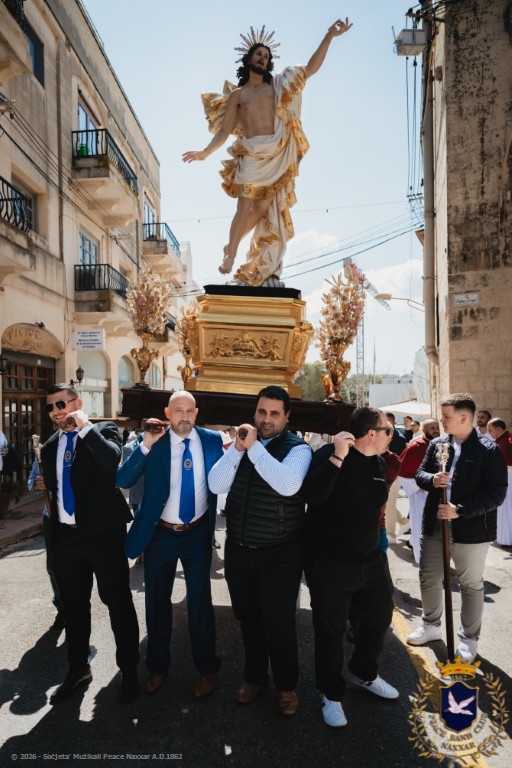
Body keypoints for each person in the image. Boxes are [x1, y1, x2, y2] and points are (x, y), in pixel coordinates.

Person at [182, 19, 352, 287]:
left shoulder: (277, 86)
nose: (262, 59)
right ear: (249, 58)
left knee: (262, 209)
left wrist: (328, 37)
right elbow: (224, 131)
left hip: (276, 154)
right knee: (244, 208)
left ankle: (237, 246)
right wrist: (205, 152)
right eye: (258, 54)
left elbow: (309, 69)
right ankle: (230, 254)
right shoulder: (239, 95)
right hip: (251, 154)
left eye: (266, 56)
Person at [208, 385, 312, 716]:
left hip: (280, 552)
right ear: (254, 412)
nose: (266, 419)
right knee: (248, 619)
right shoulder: (241, 444)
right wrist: (237, 450)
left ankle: (286, 686)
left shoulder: (299, 449)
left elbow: (287, 484)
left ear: (287, 416)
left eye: (274, 413)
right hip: (240, 549)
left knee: (279, 623)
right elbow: (216, 484)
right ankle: (254, 678)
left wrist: (252, 448)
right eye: (262, 412)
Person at [116, 391, 223, 699]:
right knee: (157, 602)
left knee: (200, 603)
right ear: (167, 412)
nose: (184, 416)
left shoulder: (212, 441)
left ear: (197, 413)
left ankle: (207, 668)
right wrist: (146, 444)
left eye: (189, 410)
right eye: (178, 410)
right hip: (160, 535)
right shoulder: (154, 440)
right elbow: (123, 479)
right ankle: (158, 666)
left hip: (196, 534)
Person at [39, 384, 140, 705]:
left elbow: (112, 462)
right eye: (50, 407)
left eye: (61, 404)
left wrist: (84, 427)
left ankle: (129, 671)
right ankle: (78, 669)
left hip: (103, 536)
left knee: (118, 603)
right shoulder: (49, 447)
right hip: (66, 538)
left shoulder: (104, 430)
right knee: (74, 608)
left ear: (78, 403)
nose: (56, 411)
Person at [300, 407, 399, 729]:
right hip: (330, 563)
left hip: (370, 560)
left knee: (379, 617)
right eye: (387, 430)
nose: (391, 436)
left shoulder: (379, 462)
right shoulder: (330, 453)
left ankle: (363, 673)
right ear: (371, 433)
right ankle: (330, 693)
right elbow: (311, 495)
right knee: (330, 631)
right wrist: (337, 457)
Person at [407, 394, 508, 663]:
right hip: (435, 525)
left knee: (470, 585)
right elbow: (420, 474)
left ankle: (468, 640)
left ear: (463, 418)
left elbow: (496, 493)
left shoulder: (488, 450)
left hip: (472, 530)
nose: (441, 420)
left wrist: (459, 510)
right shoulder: (438, 444)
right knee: (428, 577)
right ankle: (431, 625)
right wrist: (432, 479)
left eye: (446, 416)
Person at [27, 458, 64, 630]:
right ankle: (62, 608)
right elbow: (32, 480)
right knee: (53, 567)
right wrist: (36, 484)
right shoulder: (43, 453)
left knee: (78, 566)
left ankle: (77, 609)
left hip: (78, 519)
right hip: (51, 517)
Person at [398, 419, 441, 562]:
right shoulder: (415, 447)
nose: (436, 430)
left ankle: (437, 558)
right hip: (421, 494)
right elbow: (401, 472)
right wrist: (419, 486)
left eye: (437, 427)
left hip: (440, 493)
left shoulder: (443, 444)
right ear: (424, 430)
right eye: (432, 428)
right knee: (421, 526)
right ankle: (422, 558)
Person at [487, 418, 512, 546]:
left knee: (507, 508)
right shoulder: (502, 440)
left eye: (490, 430)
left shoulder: (507, 442)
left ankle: (507, 538)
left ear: (499, 429)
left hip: (508, 478)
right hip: (504, 477)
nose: (489, 433)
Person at [384, 412, 408, 542]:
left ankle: (391, 534)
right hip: (386, 472)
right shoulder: (385, 433)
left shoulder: (399, 438)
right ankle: (404, 521)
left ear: (392, 422)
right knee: (388, 503)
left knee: (389, 503)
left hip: (394, 473)